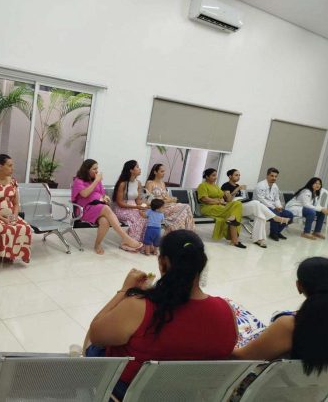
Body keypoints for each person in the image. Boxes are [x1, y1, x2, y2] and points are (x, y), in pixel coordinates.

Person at [84, 230, 237, 400]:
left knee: (92, 341)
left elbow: (96, 334)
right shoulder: (226, 311)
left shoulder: (139, 307)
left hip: (129, 393)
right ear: (201, 264)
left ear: (162, 262)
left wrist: (125, 290)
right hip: (187, 395)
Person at [232, 257, 328, 376]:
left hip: (270, 384)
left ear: (299, 286)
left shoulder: (288, 326)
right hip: (320, 386)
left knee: (233, 308)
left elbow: (241, 358)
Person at [71, 159, 142, 255]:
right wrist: (96, 180)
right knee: (106, 208)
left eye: (97, 168)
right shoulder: (78, 181)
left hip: (97, 207)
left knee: (105, 221)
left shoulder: (97, 180)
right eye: (94, 169)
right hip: (84, 209)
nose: (97, 171)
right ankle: (125, 238)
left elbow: (102, 194)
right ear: (87, 170)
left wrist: (105, 198)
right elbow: (85, 194)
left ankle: (97, 244)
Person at [0, 154, 32, 263]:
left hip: (11, 215)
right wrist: (2, 219)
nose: (12, 168)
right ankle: (1, 255)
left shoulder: (12, 181)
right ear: (0, 166)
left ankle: (11, 255)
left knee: (25, 227)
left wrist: (15, 216)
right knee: (4, 229)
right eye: (10, 165)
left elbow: (16, 203)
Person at [221, 169, 290, 248]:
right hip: (234, 207)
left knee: (260, 215)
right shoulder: (226, 185)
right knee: (256, 203)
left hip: (243, 204)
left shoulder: (237, 185)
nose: (238, 177)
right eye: (236, 175)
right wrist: (237, 189)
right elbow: (229, 200)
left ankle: (259, 240)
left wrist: (242, 192)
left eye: (239, 175)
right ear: (230, 176)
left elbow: (243, 197)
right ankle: (276, 218)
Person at [197, 168, 245, 248]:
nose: (215, 177)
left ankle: (233, 225)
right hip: (208, 208)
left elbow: (225, 198)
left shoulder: (216, 186)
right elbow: (204, 199)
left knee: (238, 204)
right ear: (207, 176)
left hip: (219, 207)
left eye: (216, 175)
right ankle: (235, 240)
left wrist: (225, 198)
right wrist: (219, 201)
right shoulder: (202, 185)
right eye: (213, 175)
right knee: (236, 214)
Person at [145, 163, 195, 232]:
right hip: (158, 207)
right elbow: (148, 200)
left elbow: (166, 197)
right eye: (162, 171)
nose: (164, 173)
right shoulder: (150, 183)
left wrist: (172, 199)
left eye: (164, 171)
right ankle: (184, 231)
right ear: (155, 172)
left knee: (185, 210)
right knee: (185, 208)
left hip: (167, 205)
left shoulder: (162, 183)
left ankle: (186, 231)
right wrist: (167, 201)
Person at [112, 160, 148, 243]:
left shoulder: (138, 183)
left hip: (134, 208)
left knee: (146, 216)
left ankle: (141, 241)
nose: (140, 169)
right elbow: (120, 203)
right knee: (138, 218)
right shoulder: (122, 184)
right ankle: (130, 242)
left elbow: (138, 201)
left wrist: (145, 206)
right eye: (137, 167)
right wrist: (136, 207)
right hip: (122, 210)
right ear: (131, 170)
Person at [253, 167, 293, 241]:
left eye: (275, 176)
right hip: (261, 207)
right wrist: (274, 207)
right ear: (267, 175)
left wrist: (279, 206)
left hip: (273, 207)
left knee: (289, 215)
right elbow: (261, 199)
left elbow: (276, 198)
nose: (274, 178)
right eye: (272, 176)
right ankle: (273, 233)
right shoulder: (260, 185)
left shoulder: (275, 186)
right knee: (276, 214)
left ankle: (277, 232)